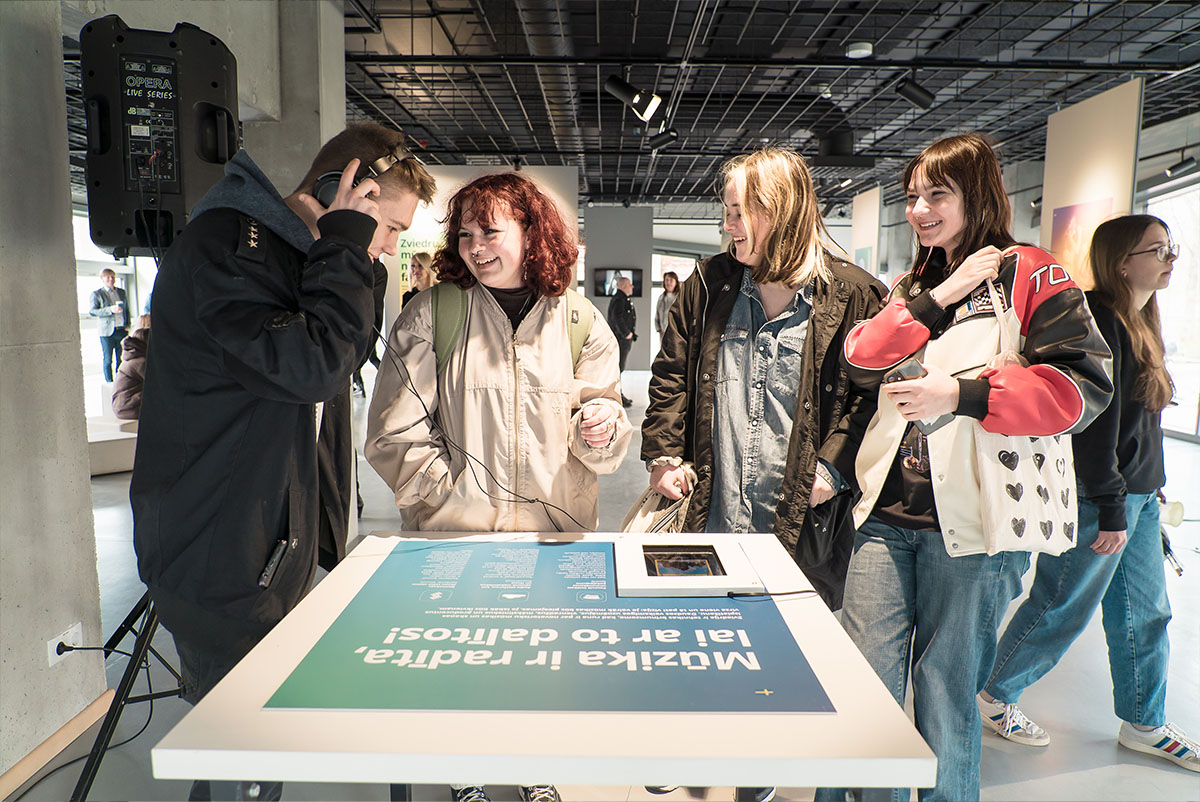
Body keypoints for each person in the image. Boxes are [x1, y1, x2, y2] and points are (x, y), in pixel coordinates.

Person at [130, 122, 436, 801]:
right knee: (242, 757)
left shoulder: (294, 256)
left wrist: (345, 256)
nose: (387, 247)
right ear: (338, 192)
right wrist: (348, 251)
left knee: (254, 748)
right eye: (386, 226)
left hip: (264, 539)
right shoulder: (228, 250)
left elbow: (340, 361)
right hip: (219, 547)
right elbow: (310, 368)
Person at [822, 133, 1112, 802]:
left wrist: (963, 395)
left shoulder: (1032, 273)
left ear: (976, 193)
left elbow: (1083, 390)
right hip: (883, 518)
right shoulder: (917, 282)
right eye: (912, 197)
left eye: (937, 194)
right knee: (865, 690)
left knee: (946, 697)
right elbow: (862, 360)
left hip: (976, 528)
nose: (920, 210)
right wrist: (939, 292)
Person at [365, 171, 631, 802]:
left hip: (553, 541)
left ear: (532, 231)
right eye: (463, 233)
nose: (475, 246)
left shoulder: (580, 321)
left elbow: (605, 431)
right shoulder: (435, 315)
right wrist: (451, 500)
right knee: (463, 665)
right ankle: (466, 775)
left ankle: (537, 767)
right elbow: (393, 435)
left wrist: (601, 432)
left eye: (491, 230)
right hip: (458, 539)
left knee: (543, 662)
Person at [640, 146, 887, 802]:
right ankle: (682, 742)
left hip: (796, 512)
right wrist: (665, 454)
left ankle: (762, 754)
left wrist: (835, 466)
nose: (730, 227)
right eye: (727, 213)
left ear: (784, 210)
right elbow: (670, 376)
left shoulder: (856, 294)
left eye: (741, 211)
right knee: (691, 629)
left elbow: (872, 398)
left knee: (778, 640)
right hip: (710, 504)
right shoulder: (708, 284)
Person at [978, 215, 1197, 772]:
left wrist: (1149, 492)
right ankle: (993, 694)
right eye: (1157, 249)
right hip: (1105, 496)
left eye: (1171, 248)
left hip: (1139, 496)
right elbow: (1095, 429)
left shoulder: (1142, 318)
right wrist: (1113, 506)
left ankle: (1144, 721)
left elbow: (1139, 425)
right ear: (1122, 260)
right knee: (1063, 604)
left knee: (1147, 613)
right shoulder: (1100, 317)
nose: (1170, 258)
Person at [89, 267, 129, 382]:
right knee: (108, 359)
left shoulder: (121, 292)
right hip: (107, 331)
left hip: (121, 329)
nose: (111, 279)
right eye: (108, 277)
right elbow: (92, 311)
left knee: (121, 357)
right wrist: (110, 310)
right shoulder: (97, 294)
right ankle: (109, 382)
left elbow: (126, 308)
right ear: (102, 279)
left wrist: (128, 324)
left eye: (113, 276)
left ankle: (121, 381)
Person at [111, 314, 150, 420]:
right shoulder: (140, 361)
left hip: (123, 405)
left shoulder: (133, 356)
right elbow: (160, 383)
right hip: (129, 407)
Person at [606, 275, 637, 407]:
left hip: (622, 340)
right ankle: (617, 396)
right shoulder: (619, 299)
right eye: (630, 285)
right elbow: (617, 318)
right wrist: (627, 334)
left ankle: (617, 394)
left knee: (619, 368)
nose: (632, 287)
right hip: (620, 340)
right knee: (617, 368)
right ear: (624, 286)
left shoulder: (622, 298)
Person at [655, 270, 679, 337]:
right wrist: (659, 330)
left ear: (676, 282)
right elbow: (657, 315)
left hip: (676, 334)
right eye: (667, 280)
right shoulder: (661, 298)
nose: (668, 282)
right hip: (663, 333)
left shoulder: (680, 297)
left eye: (671, 280)